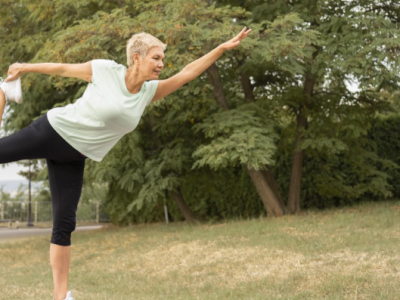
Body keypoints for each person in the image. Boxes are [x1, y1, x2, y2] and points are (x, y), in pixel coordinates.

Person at [0, 27, 251, 300]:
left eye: (162, 59)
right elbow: (61, 68)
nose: (161, 64)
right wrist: (25, 67)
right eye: (156, 58)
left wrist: (221, 48)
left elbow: (187, 73)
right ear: (137, 58)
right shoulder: (106, 70)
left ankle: (60, 297)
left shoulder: (148, 93)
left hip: (75, 157)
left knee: (64, 225)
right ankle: (3, 91)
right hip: (52, 131)